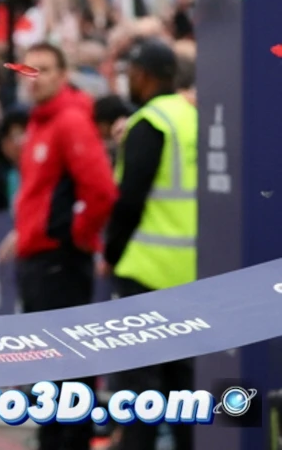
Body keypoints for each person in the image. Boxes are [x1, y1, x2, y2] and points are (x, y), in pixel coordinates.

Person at [10, 42, 116, 450]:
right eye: (28, 70)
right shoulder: (40, 122)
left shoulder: (70, 120)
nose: (34, 78)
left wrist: (77, 236)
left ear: (63, 73)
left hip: (60, 261)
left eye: (45, 69)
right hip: (39, 259)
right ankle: (53, 438)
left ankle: (68, 441)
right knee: (45, 363)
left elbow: (102, 191)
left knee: (65, 366)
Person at [102, 38, 196, 450]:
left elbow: (130, 199)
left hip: (146, 273)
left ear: (145, 75)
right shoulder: (191, 118)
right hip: (190, 274)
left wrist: (111, 253)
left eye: (131, 73)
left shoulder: (149, 122)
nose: (128, 80)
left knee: (139, 394)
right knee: (183, 393)